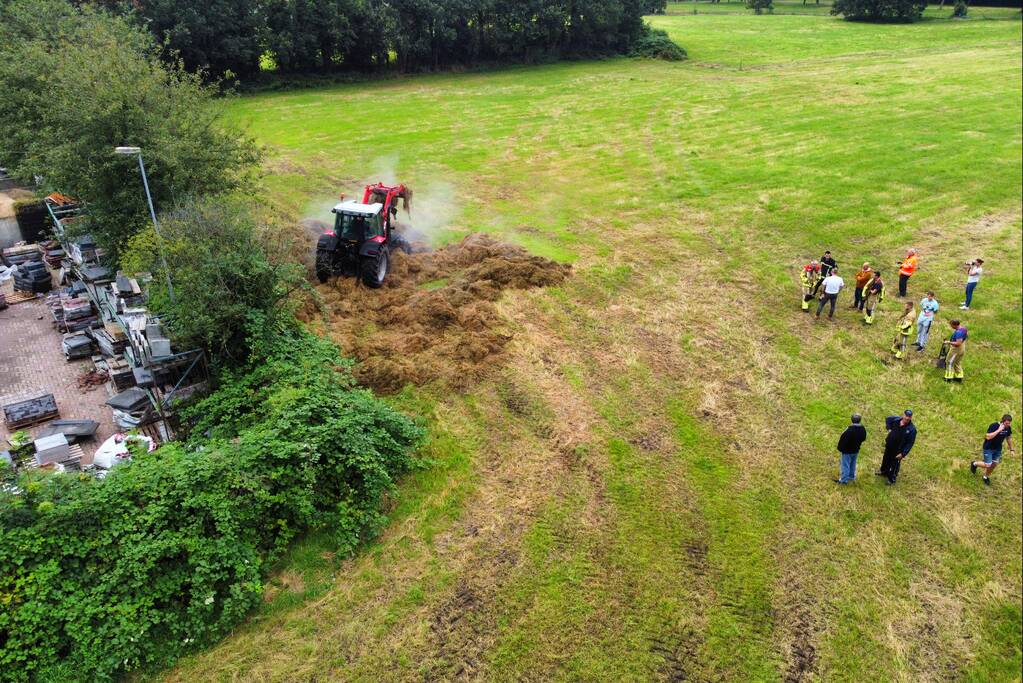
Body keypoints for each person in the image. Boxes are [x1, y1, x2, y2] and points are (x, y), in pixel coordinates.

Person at [971, 415, 1015, 486]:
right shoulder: (994, 426)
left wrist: (1011, 449)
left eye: (1009, 423)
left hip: (998, 449)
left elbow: (1008, 438)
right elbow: (988, 437)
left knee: (994, 464)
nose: (1008, 425)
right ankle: (974, 464)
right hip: (988, 448)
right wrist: (999, 430)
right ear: (1002, 422)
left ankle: (985, 477)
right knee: (988, 464)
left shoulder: (1008, 428)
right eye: (1007, 423)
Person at [876, 410, 916, 485]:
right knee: (886, 459)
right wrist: (888, 428)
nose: (907, 418)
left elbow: (910, 443)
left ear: (911, 418)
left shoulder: (912, 429)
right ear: (903, 415)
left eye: (909, 417)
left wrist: (903, 454)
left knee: (894, 464)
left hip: (898, 450)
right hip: (889, 445)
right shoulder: (896, 420)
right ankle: (884, 472)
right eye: (906, 416)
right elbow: (887, 419)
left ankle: (892, 479)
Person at [835, 413, 867, 484]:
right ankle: (851, 477)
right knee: (853, 463)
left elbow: (843, 440)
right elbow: (864, 438)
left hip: (847, 451)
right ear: (859, 420)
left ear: (851, 420)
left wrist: (840, 449)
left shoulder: (849, 430)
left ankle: (843, 480)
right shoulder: (862, 429)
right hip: (856, 450)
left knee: (845, 465)